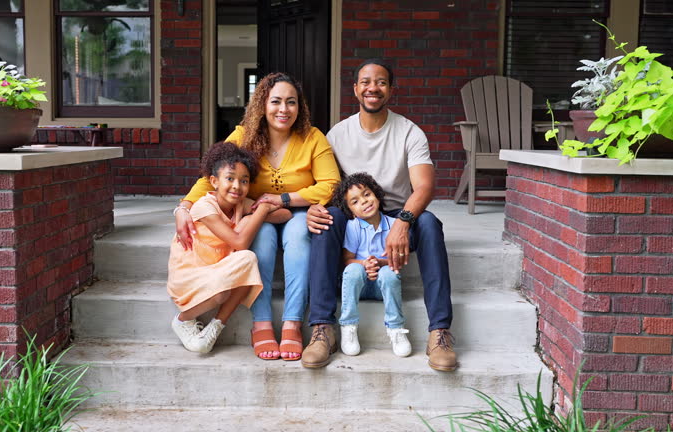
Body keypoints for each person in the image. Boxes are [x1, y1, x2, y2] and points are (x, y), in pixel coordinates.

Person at [302, 58, 458, 371]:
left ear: (390, 89)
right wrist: (312, 209)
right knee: (327, 220)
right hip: (356, 214)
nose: (373, 88)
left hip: (400, 213)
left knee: (429, 222)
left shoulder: (409, 132)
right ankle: (322, 328)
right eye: (366, 82)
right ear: (356, 89)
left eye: (381, 82)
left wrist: (403, 222)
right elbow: (324, 185)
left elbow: (424, 188)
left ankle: (439, 332)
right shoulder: (338, 134)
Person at [175, 73, 340, 361]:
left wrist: (284, 199)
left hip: (297, 211)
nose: (283, 109)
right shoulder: (243, 136)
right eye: (275, 101)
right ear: (262, 104)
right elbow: (210, 175)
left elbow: (330, 184)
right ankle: (261, 323)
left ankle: (291, 323)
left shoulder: (312, 137)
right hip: (256, 212)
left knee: (300, 236)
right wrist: (183, 208)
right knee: (260, 240)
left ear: (299, 107)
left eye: (291, 102)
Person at [167, 141, 282, 354]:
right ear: (214, 181)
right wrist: (261, 210)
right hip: (191, 275)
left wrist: (262, 207)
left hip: (218, 270)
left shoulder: (241, 203)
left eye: (244, 181)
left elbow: (286, 215)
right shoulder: (204, 206)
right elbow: (239, 242)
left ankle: (215, 327)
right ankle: (183, 320)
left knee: (247, 262)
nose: (237, 186)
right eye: (230, 179)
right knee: (225, 288)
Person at [332, 172, 411, 358]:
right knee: (353, 269)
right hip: (359, 286)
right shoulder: (353, 227)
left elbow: (400, 260)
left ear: (376, 194)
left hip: (382, 287)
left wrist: (380, 262)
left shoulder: (394, 225)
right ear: (351, 210)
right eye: (355, 201)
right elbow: (347, 260)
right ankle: (348, 326)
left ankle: (396, 328)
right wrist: (364, 264)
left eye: (366, 194)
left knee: (389, 273)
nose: (364, 202)